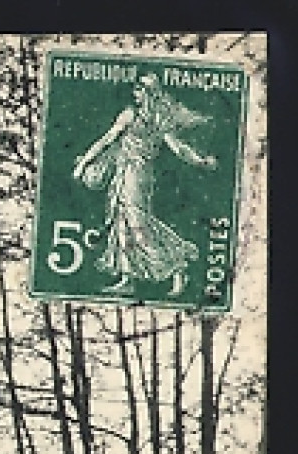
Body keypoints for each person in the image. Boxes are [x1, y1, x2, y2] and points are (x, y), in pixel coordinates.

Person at [72, 73, 219, 297]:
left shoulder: (154, 119)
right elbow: (107, 140)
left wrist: (200, 161)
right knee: (122, 221)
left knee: (139, 225)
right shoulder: (135, 116)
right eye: (136, 89)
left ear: (148, 93)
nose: (135, 93)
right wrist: (84, 163)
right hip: (126, 173)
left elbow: (178, 148)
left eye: (139, 90)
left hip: (137, 176)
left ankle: (177, 267)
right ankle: (127, 277)